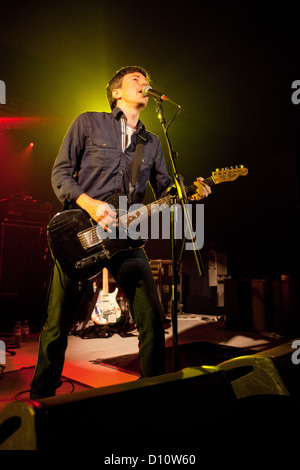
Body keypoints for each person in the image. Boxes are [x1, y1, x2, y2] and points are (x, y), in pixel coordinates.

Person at [30, 66, 211, 399]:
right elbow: (60, 174)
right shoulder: (87, 122)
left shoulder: (152, 142)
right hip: (79, 234)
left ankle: (153, 393)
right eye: (136, 80)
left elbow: (163, 188)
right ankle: (41, 399)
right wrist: (91, 204)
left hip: (126, 239)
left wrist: (188, 190)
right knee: (57, 323)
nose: (146, 84)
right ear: (117, 92)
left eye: (147, 80)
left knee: (153, 320)